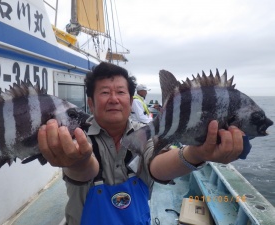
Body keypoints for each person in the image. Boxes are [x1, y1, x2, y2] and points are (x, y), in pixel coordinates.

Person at [38, 62, 244, 225]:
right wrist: (77, 162)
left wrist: (196, 154)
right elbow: (83, 172)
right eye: (104, 92)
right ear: (90, 103)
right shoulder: (74, 135)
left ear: (130, 100)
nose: (113, 99)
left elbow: (157, 166)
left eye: (120, 92)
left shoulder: (145, 134)